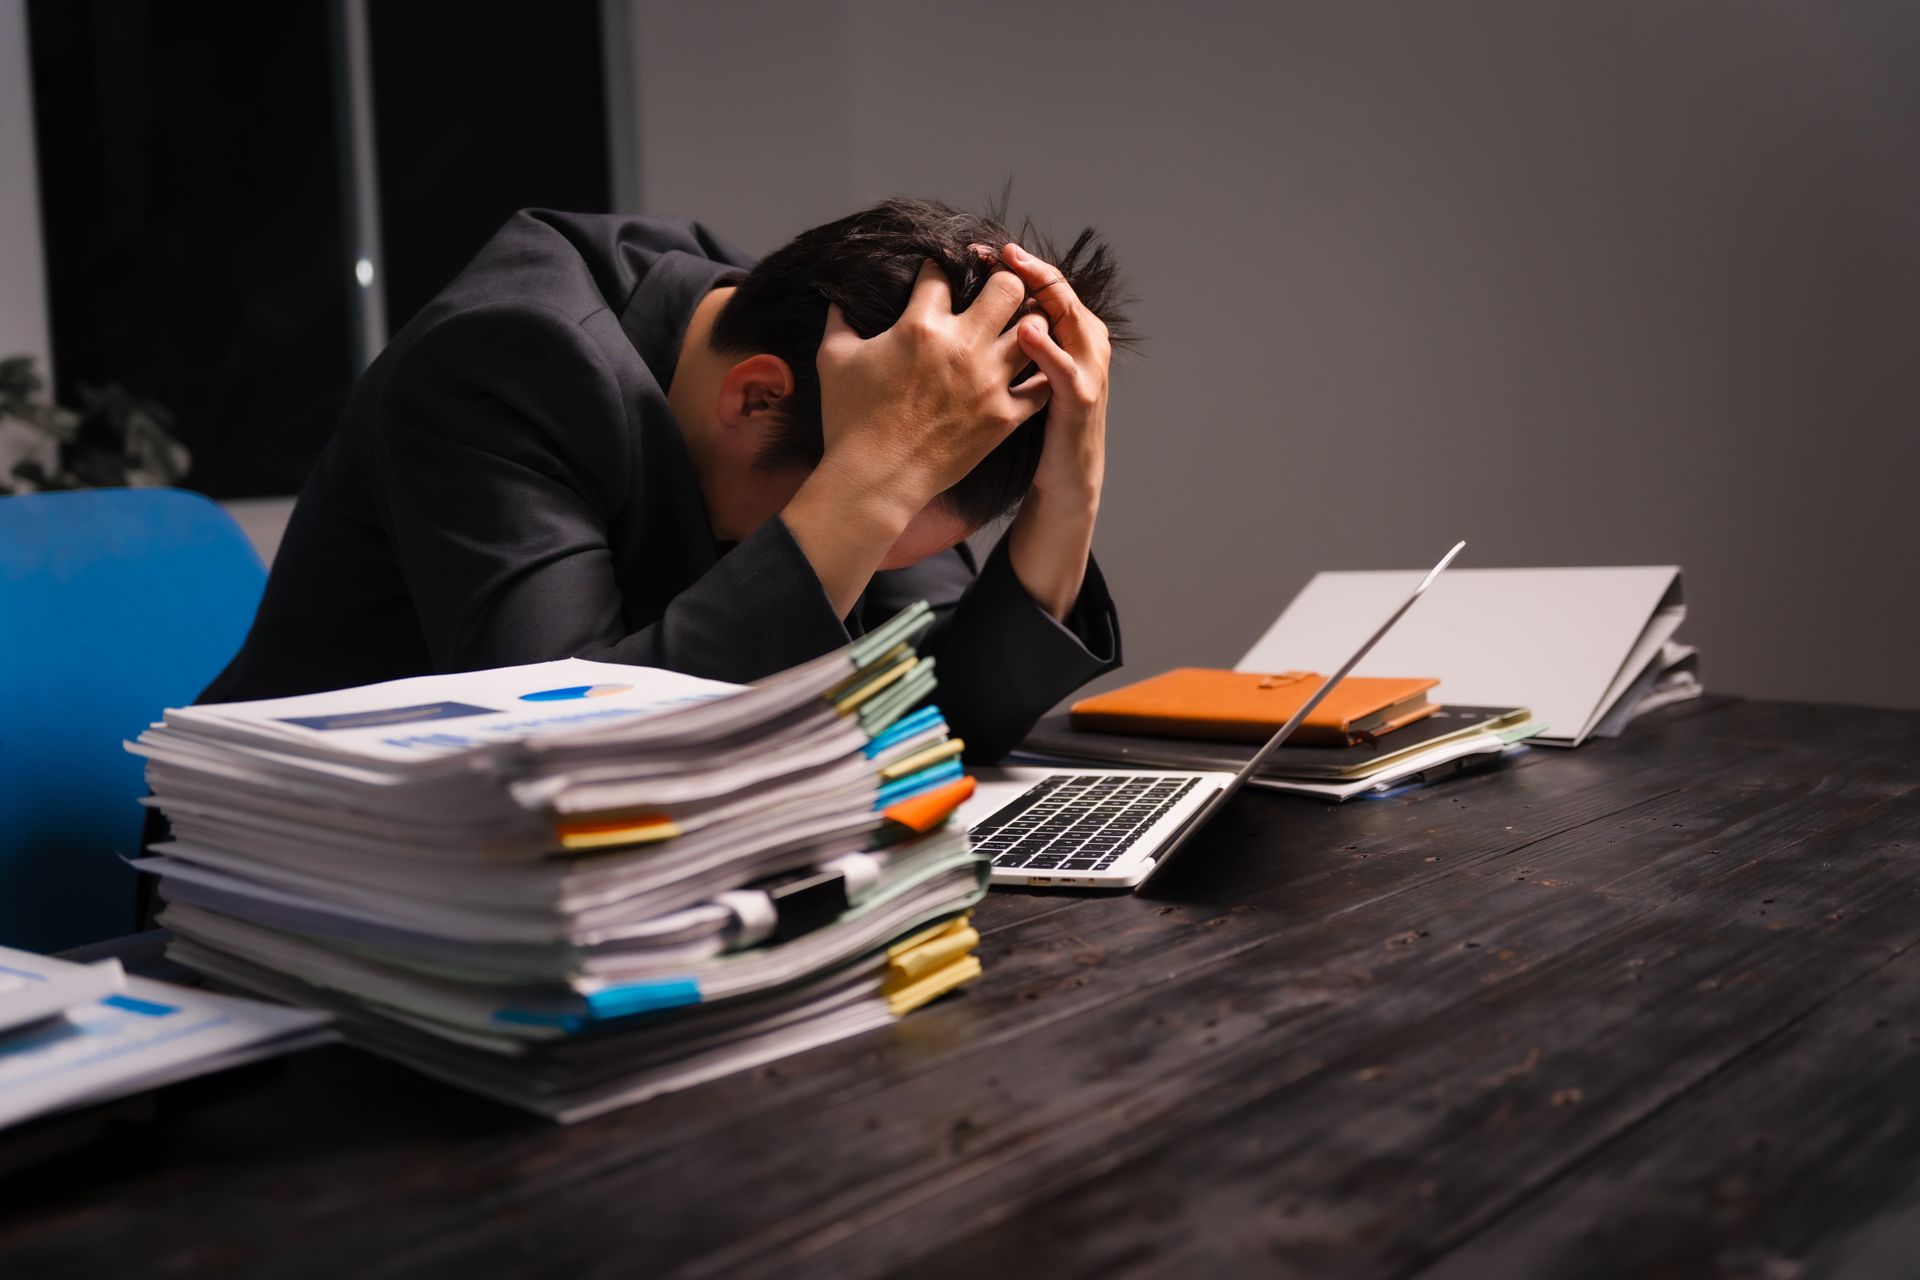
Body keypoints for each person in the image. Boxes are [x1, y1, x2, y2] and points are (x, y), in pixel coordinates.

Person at [200, 198, 1132, 761]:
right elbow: (573, 747)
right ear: (755, 400)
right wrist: (875, 481)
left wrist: (1071, 482)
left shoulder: (804, 353)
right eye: (868, 508)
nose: (872, 558)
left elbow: (935, 717)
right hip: (291, 904)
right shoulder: (505, 363)